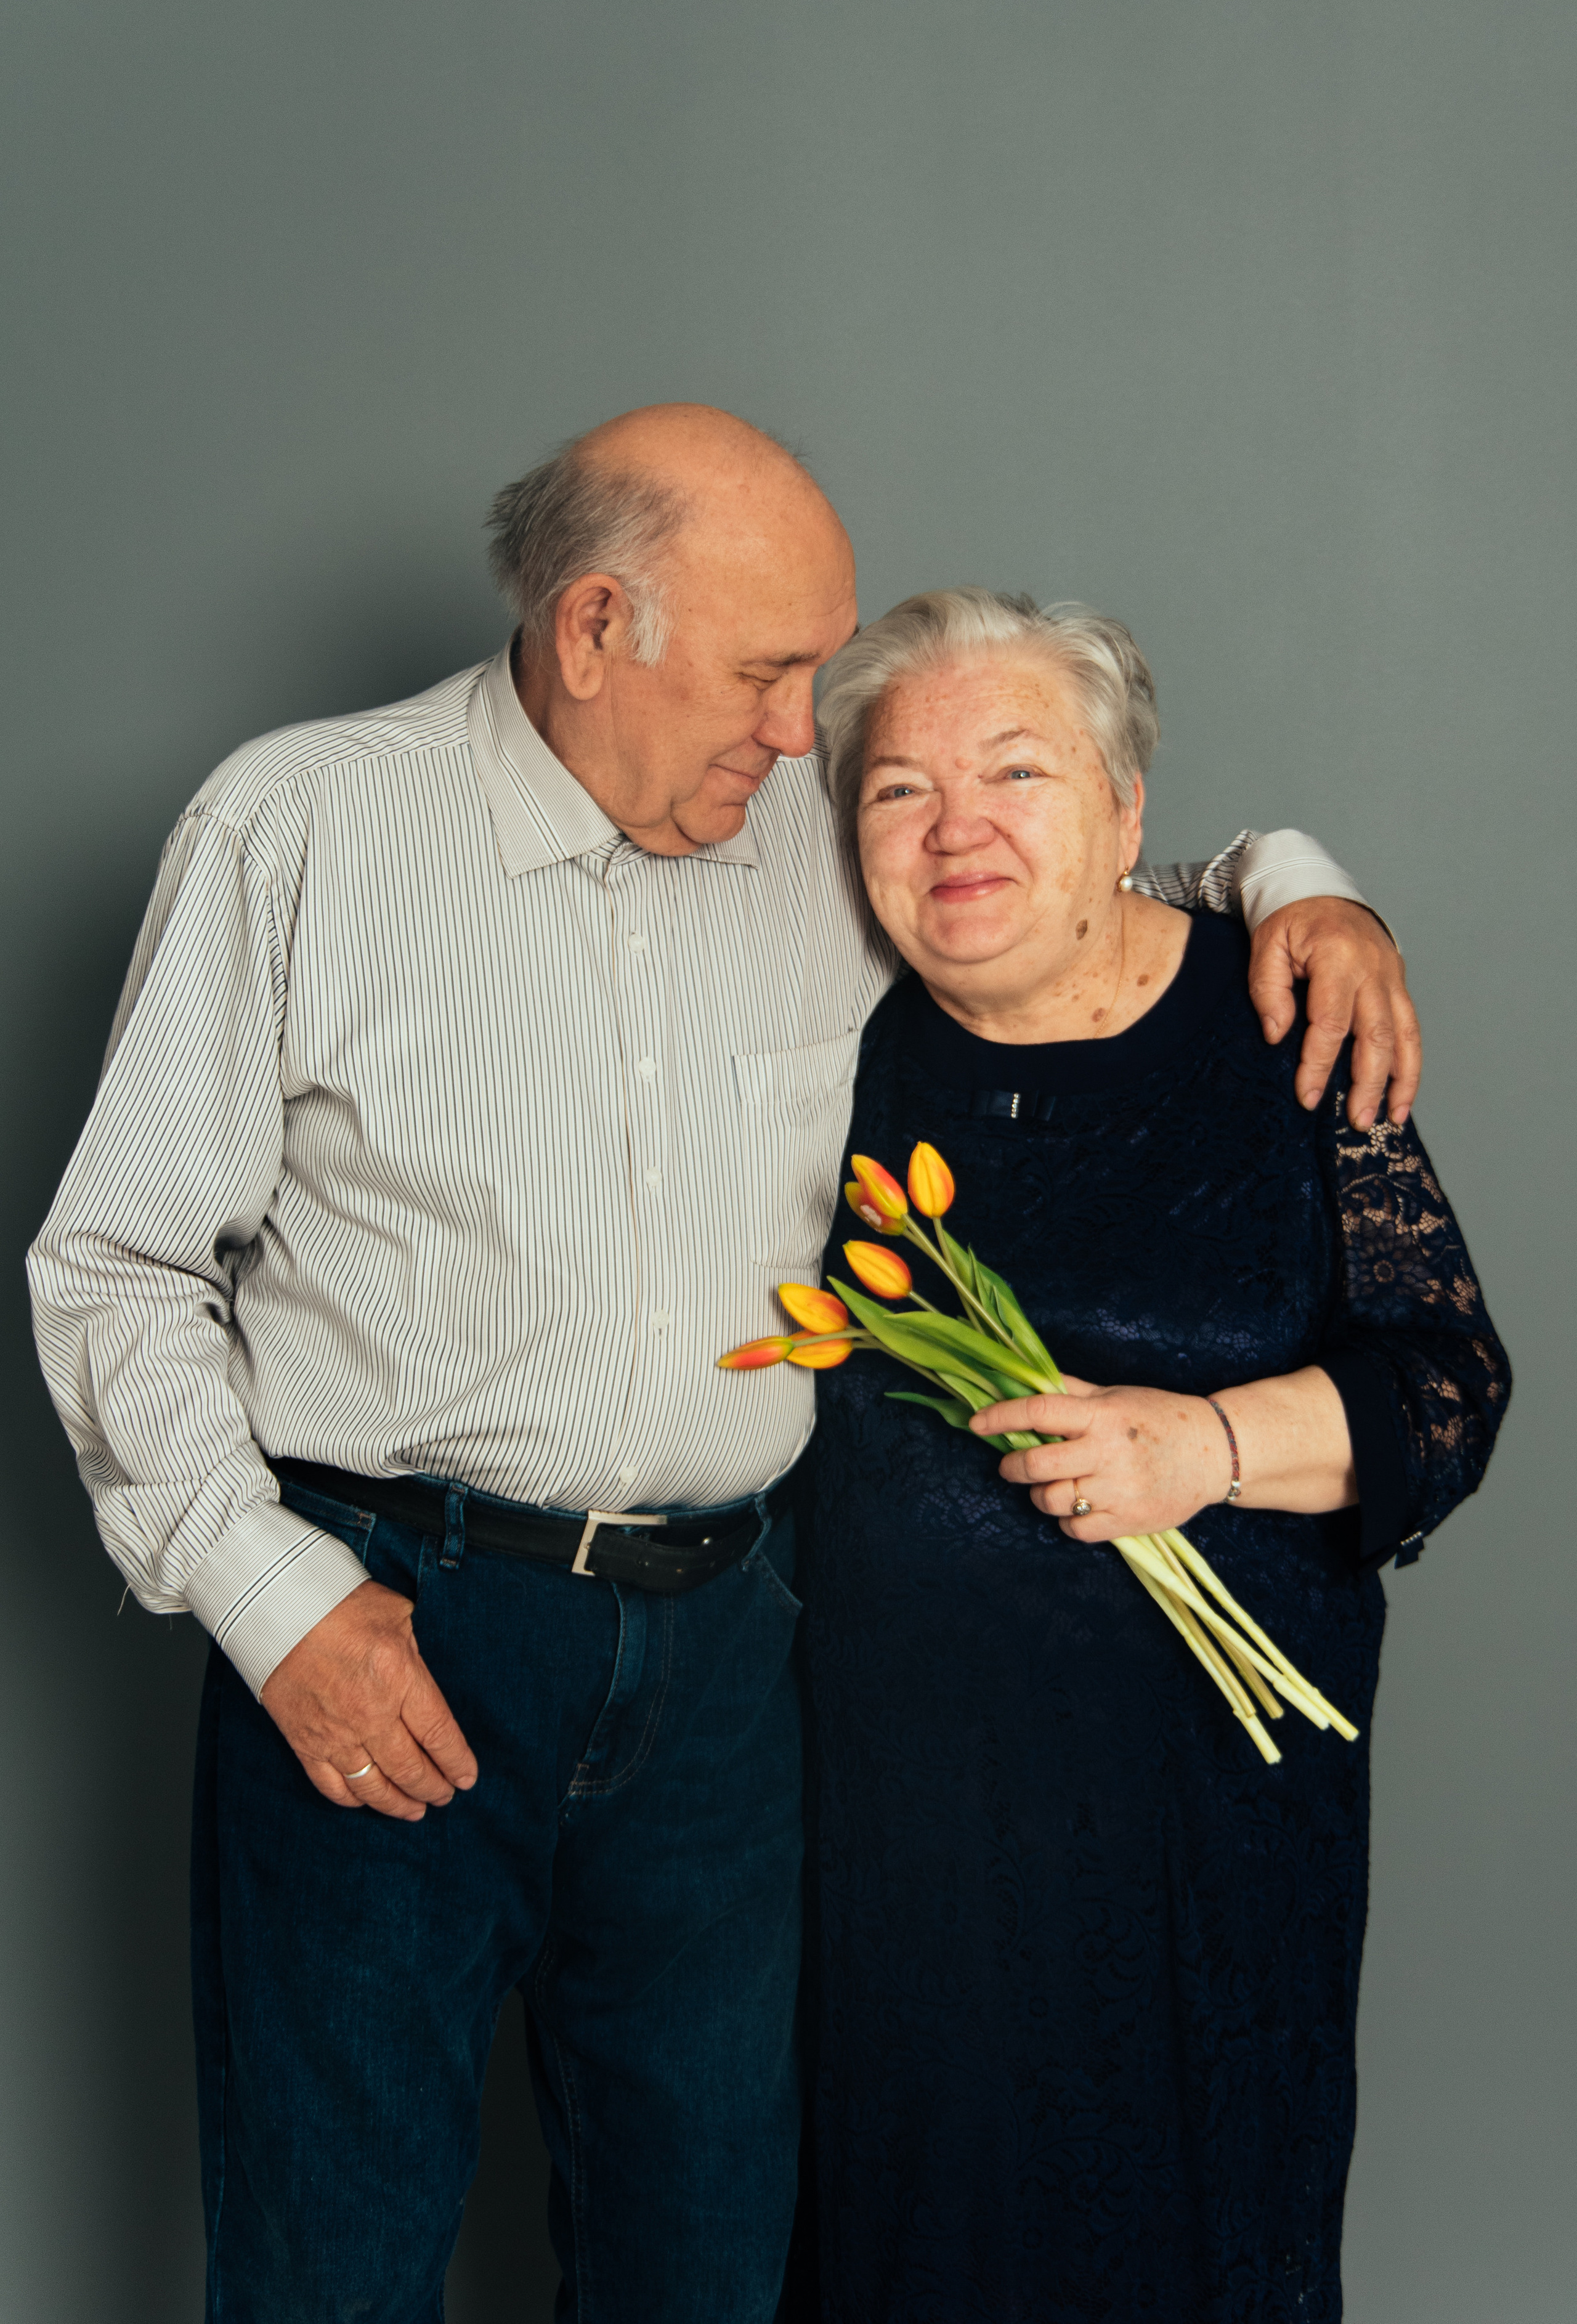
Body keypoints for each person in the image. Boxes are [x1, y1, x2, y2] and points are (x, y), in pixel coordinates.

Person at [28, 410, 1419, 2324]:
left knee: (702, 2271)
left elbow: (1050, 880)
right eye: (772, 677)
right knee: (328, 2268)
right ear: (597, 627)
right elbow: (111, 1263)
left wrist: (1301, 879)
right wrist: (277, 1607)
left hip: (731, 1681)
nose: (801, 739)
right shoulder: (297, 827)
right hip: (384, 1625)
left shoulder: (807, 851)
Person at [790, 589, 1509, 2323]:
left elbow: (1449, 1381)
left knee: (1186, 2239)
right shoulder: (823, 1040)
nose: (956, 828)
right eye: (897, 790)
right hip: (876, 1834)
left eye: (1017, 772)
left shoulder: (1286, 1028)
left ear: (1130, 820)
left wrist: (1207, 1447)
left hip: (1205, 1833)